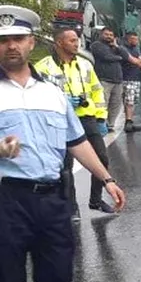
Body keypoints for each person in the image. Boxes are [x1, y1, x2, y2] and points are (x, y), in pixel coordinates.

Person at [0, 4, 126, 282]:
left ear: (31, 43)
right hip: (7, 199)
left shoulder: (52, 93)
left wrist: (106, 178)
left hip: (52, 197)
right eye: (2, 41)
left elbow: (76, 141)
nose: (10, 46)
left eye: (17, 39)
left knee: (57, 280)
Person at [34, 27, 114, 217]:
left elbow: (97, 90)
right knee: (65, 168)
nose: (76, 43)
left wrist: (101, 117)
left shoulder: (85, 64)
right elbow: (35, 97)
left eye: (77, 40)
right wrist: (61, 101)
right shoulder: (42, 67)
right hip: (59, 121)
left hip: (87, 118)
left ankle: (96, 200)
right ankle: (71, 207)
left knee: (101, 159)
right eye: (71, 40)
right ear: (59, 42)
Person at [89, 28, 126, 131]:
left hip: (118, 80)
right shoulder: (96, 45)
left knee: (116, 104)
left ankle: (110, 124)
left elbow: (125, 56)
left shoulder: (116, 47)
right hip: (104, 79)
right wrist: (119, 57)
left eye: (111, 35)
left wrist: (117, 47)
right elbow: (106, 57)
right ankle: (101, 123)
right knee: (103, 103)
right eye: (106, 34)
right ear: (101, 34)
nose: (109, 36)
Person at [119, 31, 141, 133]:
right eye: (133, 39)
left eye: (136, 39)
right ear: (128, 39)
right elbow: (136, 61)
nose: (136, 41)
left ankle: (130, 120)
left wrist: (140, 62)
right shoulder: (123, 49)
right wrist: (139, 61)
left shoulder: (136, 49)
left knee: (134, 101)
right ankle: (128, 122)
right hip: (127, 78)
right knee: (129, 101)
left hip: (136, 77)